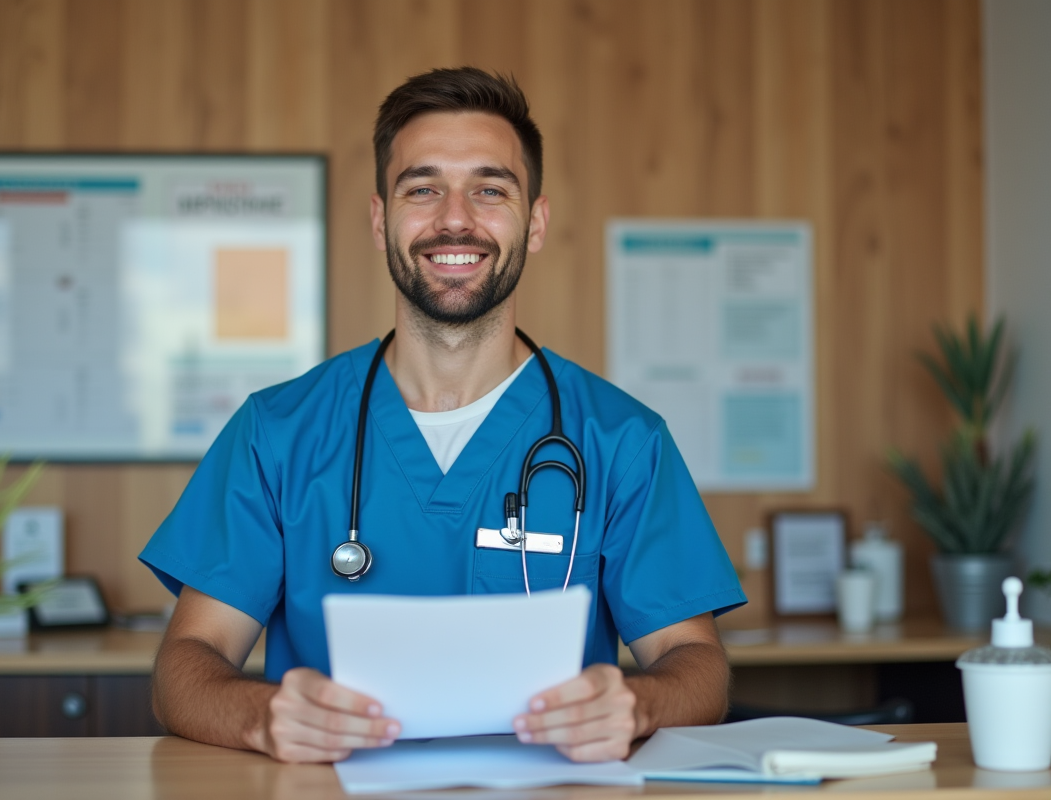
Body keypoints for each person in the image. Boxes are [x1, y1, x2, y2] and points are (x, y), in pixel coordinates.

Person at [140, 67, 746, 765]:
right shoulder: (276, 433)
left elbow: (694, 661)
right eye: (422, 189)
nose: (455, 219)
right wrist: (262, 716)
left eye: (490, 190)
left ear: (536, 222)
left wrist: (637, 704)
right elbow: (185, 664)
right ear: (380, 219)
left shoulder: (622, 440)